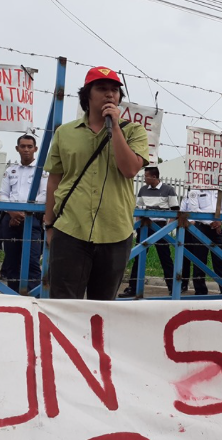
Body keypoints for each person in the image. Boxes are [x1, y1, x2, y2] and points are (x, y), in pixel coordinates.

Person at [44, 66, 149, 300]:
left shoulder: (134, 131)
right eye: (101, 88)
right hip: (70, 228)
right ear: (87, 95)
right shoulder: (65, 133)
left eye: (115, 90)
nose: (110, 94)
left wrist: (115, 128)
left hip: (115, 231)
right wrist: (49, 225)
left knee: (103, 306)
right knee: (63, 303)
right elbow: (55, 179)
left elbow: (130, 169)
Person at [0, 135, 49, 292]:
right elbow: (3, 194)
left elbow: (44, 195)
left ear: (35, 149)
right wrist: (12, 213)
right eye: (23, 146)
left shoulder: (42, 171)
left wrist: (24, 212)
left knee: (32, 261)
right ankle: (14, 296)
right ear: (17, 148)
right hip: (11, 219)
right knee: (12, 261)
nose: (26, 150)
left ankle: (33, 296)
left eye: (29, 146)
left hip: (32, 218)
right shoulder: (10, 170)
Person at [119, 167, 179, 297]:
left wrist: (168, 229)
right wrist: (138, 225)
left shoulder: (168, 190)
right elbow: (138, 208)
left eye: (146, 176)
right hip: (144, 226)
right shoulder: (143, 190)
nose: (144, 178)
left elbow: (175, 210)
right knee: (138, 257)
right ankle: (133, 288)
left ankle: (173, 288)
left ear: (154, 177)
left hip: (160, 227)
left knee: (165, 258)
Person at [180, 189, 222, 295]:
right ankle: (200, 292)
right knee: (200, 260)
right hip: (201, 227)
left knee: (221, 260)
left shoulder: (219, 191)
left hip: (217, 228)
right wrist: (210, 221)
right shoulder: (194, 191)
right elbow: (195, 210)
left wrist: (218, 219)